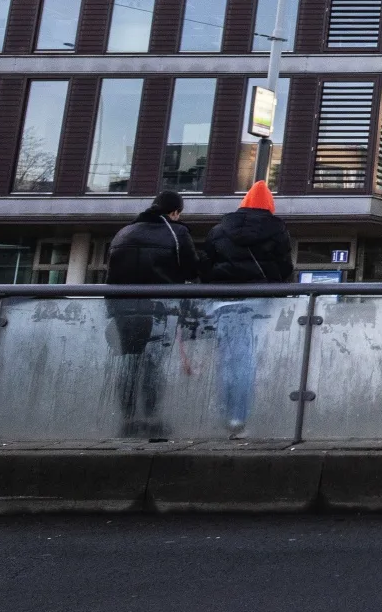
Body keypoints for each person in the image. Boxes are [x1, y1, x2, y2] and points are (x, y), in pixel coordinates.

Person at [200, 182, 293, 438]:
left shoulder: (218, 230)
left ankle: (226, 414)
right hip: (258, 300)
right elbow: (284, 267)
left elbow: (205, 266)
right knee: (247, 360)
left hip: (222, 301)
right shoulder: (277, 229)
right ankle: (239, 417)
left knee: (228, 360)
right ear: (269, 205)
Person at [105, 190, 199, 284]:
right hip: (163, 296)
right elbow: (192, 270)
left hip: (119, 297)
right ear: (175, 212)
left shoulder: (123, 232)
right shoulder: (178, 232)